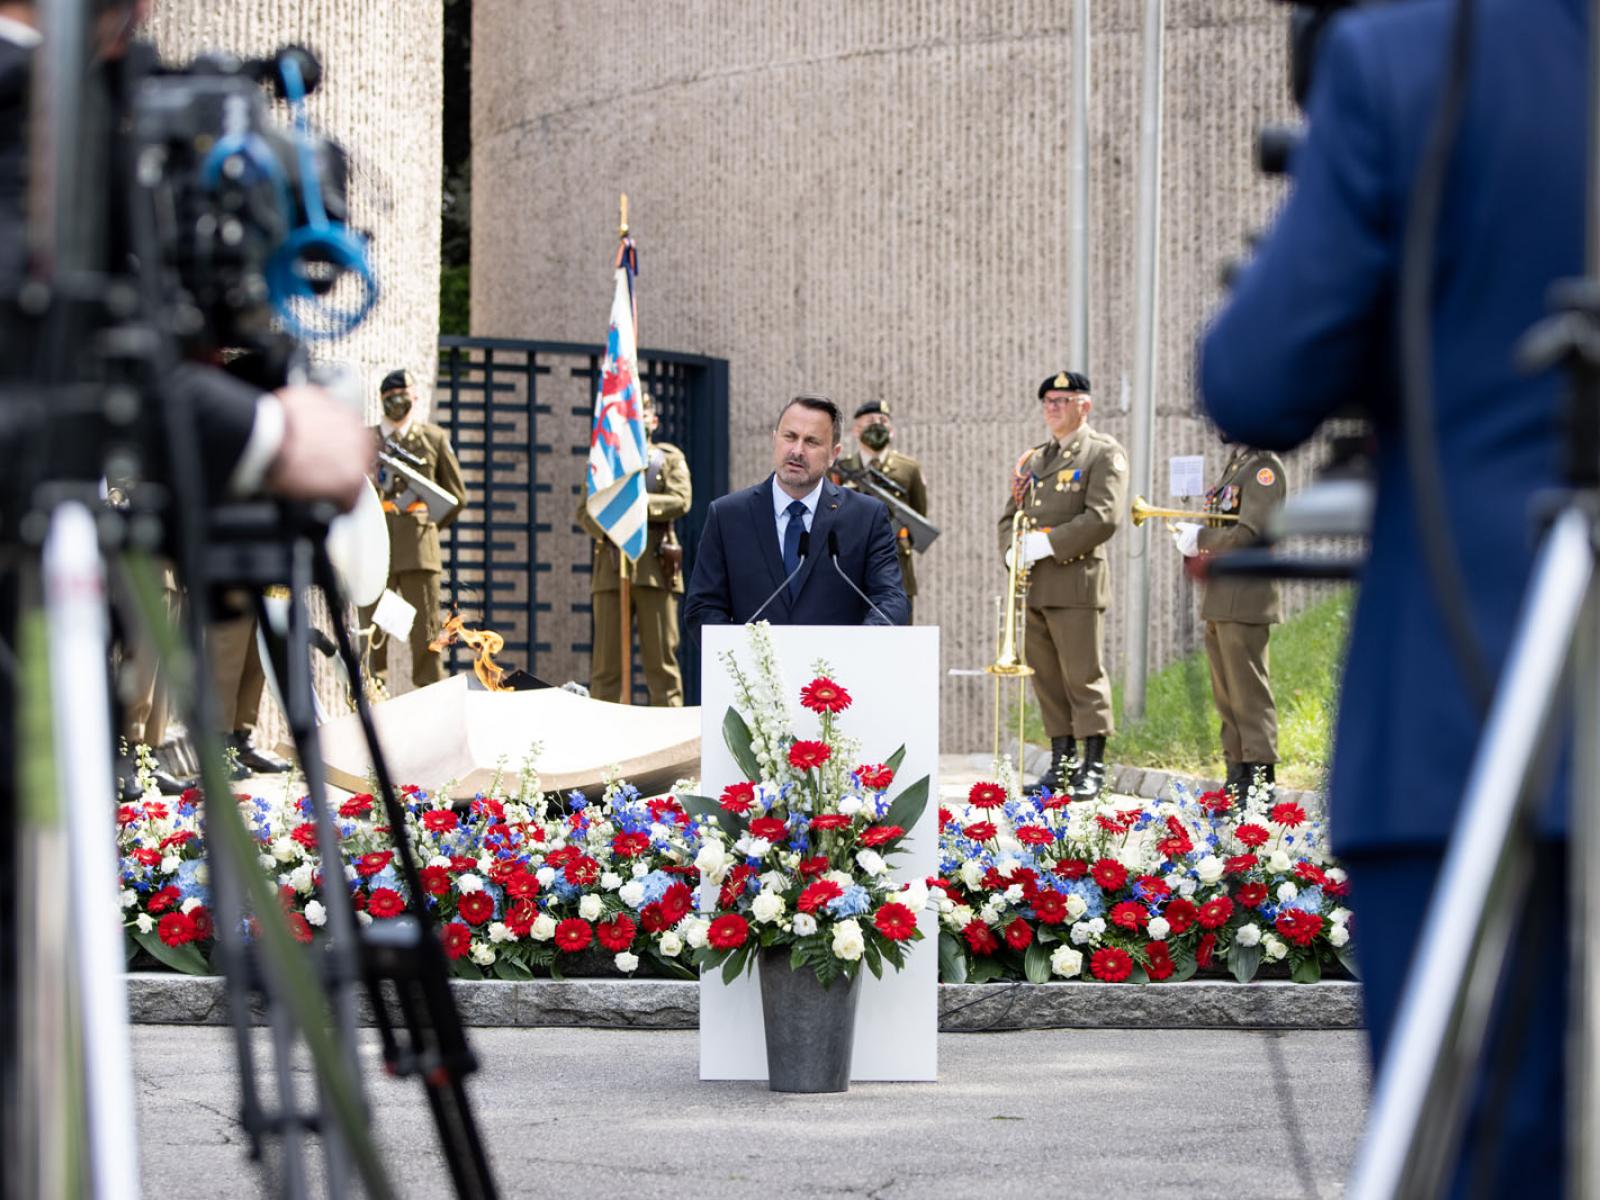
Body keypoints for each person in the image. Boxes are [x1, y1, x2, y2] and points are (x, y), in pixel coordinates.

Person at [1199, 1, 1583, 1191]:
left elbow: (1258, 373)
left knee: (1476, 1156)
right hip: (1500, 696)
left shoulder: (1412, 57)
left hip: (1471, 720)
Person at [999, 371, 1126, 800]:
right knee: (1048, 680)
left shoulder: (1101, 454)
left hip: (1076, 584)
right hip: (1034, 586)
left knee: (1083, 677)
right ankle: (1062, 762)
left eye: (1062, 400)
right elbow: (1008, 516)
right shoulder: (1033, 460)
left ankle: (1092, 766)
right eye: (1048, 401)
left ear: (1084, 405)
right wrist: (1012, 551)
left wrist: (1047, 544)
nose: (1052, 408)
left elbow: (1103, 516)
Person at [683, 393, 909, 635]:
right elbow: (703, 607)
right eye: (789, 437)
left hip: (834, 670)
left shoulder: (867, 517)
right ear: (774, 439)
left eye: (811, 442)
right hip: (755, 669)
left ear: (834, 453)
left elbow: (890, 599)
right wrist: (743, 658)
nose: (797, 451)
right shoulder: (727, 516)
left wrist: (854, 649)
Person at [1170, 442, 1288, 800]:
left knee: (1248, 695)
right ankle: (1238, 779)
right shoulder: (1238, 465)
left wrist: (1202, 539)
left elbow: (1251, 534)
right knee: (1227, 697)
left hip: (1247, 595)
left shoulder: (1264, 468)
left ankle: (1261, 786)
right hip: (1222, 596)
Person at [578, 391, 692, 705]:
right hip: (612, 567)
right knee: (606, 669)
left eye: (638, 415)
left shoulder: (667, 457)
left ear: (652, 421)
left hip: (655, 567)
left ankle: (668, 741)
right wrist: (615, 522)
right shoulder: (604, 461)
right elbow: (584, 510)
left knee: (661, 667)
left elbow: (681, 500)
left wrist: (636, 507)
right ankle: (606, 740)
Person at [363, 368, 467, 690]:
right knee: (370, 635)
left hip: (419, 550)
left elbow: (456, 496)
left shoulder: (432, 438)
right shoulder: (366, 440)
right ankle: (370, 699)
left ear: (415, 395)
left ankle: (431, 698)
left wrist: (427, 524)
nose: (398, 401)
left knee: (427, 633)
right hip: (373, 548)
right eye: (391, 396)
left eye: (404, 393)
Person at [832, 400, 929, 621]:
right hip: (851, 567)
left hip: (897, 567)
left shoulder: (909, 469)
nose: (877, 426)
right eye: (869, 422)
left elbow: (918, 516)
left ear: (892, 430)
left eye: (883, 421)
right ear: (856, 430)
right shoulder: (841, 469)